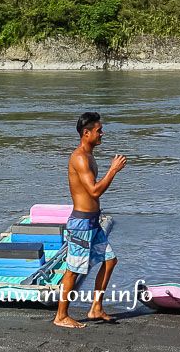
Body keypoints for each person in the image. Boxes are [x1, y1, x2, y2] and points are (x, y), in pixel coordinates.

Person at [53, 111, 126, 328]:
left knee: (110, 260)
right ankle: (61, 316)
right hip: (81, 224)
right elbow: (94, 191)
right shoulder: (79, 158)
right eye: (99, 130)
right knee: (73, 270)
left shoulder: (90, 155)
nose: (102, 133)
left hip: (93, 223)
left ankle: (96, 308)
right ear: (86, 133)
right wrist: (113, 170)